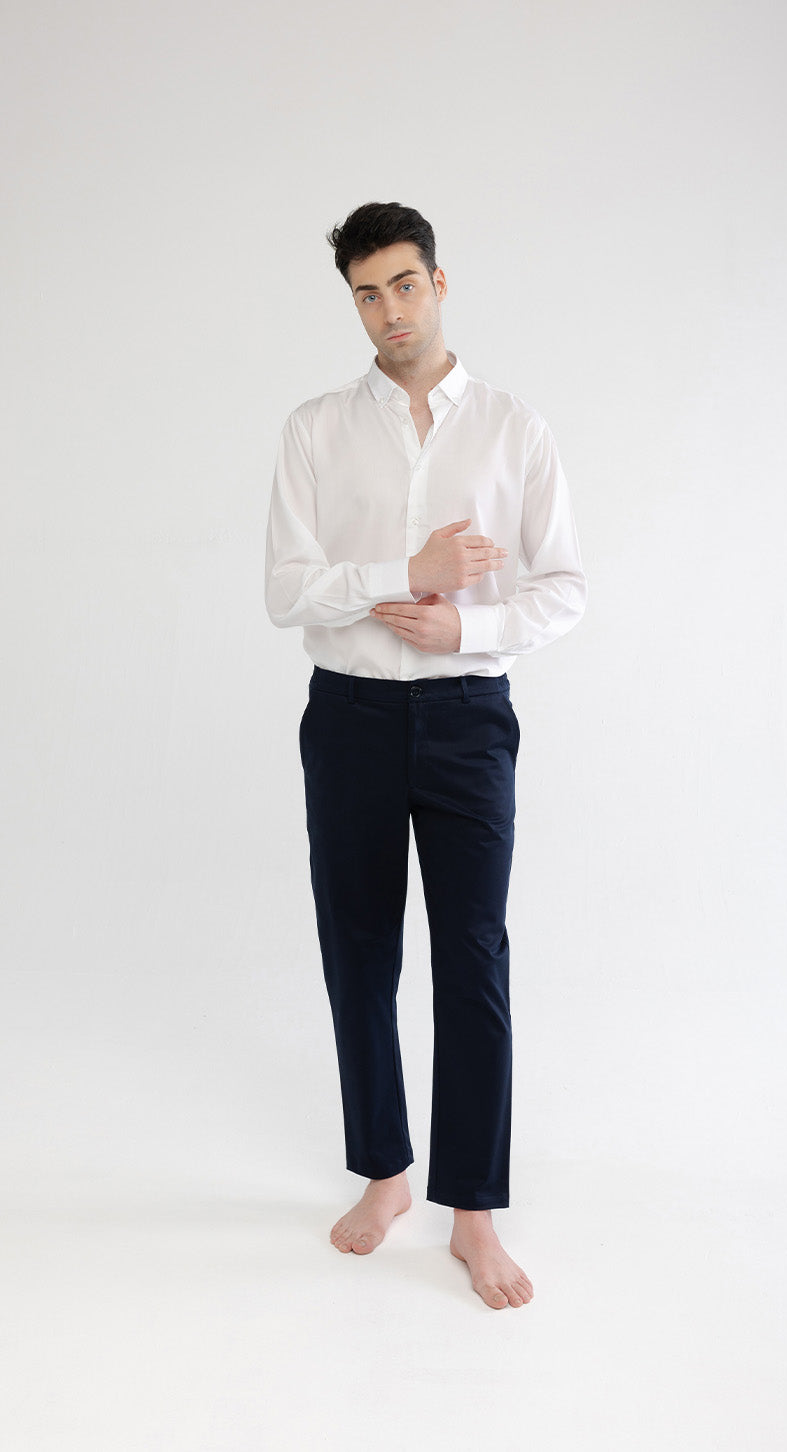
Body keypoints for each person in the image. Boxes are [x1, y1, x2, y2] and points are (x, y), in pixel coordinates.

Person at [264, 202, 586, 1310]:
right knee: (358, 954)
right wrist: (407, 573)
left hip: (466, 719)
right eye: (367, 293)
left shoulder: (512, 427)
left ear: (439, 284)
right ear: (352, 302)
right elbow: (285, 591)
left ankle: (474, 1212)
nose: (388, 310)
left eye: (404, 284)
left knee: (473, 960)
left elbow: (564, 587)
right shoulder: (315, 429)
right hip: (349, 718)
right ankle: (385, 1174)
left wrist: (467, 627)